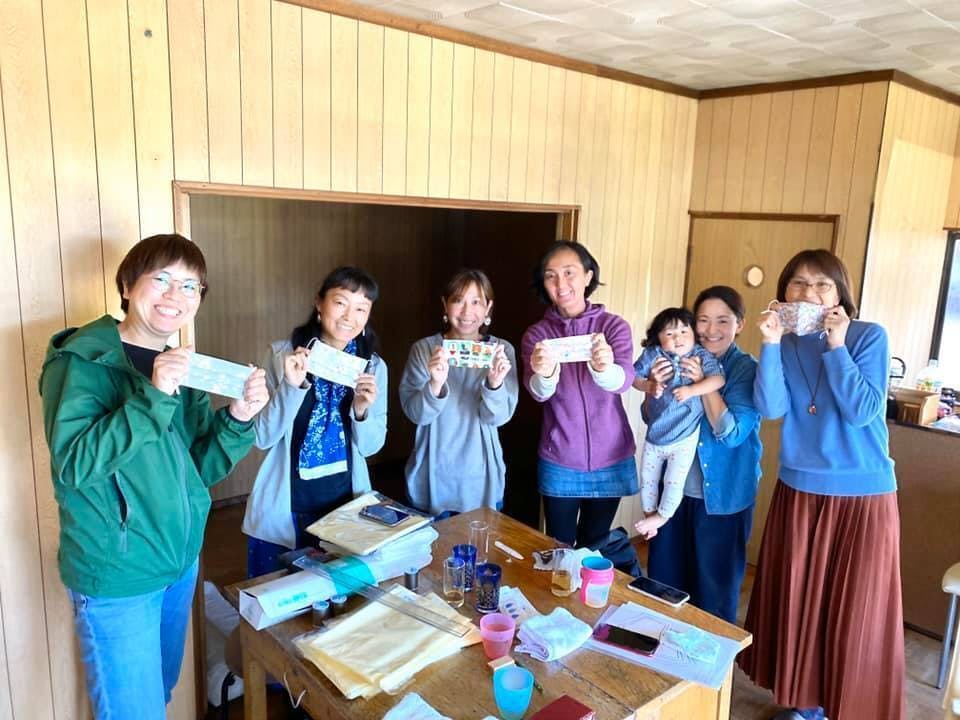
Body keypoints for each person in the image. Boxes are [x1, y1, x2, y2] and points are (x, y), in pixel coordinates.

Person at [39, 233, 269, 720]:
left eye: (190, 286)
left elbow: (198, 470)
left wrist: (239, 418)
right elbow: (75, 464)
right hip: (119, 574)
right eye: (161, 279)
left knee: (158, 694)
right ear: (127, 286)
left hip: (178, 565)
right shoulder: (82, 361)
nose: (175, 295)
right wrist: (155, 395)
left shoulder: (184, 367)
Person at [739, 250, 905, 720]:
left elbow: (862, 411)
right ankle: (805, 704)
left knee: (855, 612)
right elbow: (771, 407)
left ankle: (847, 706)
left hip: (863, 495)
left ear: (839, 294)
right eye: (798, 283)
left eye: (821, 285)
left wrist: (836, 345)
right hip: (800, 490)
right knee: (799, 605)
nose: (808, 293)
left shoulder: (868, 336)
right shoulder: (785, 342)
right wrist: (770, 343)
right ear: (783, 293)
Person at [243, 267, 387, 577]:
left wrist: (361, 410)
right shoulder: (281, 356)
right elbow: (262, 437)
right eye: (340, 302)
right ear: (319, 303)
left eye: (361, 308)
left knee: (341, 596)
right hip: (288, 506)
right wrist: (291, 387)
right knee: (282, 595)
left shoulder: (373, 367)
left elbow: (371, 446)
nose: (349, 316)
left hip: (346, 506)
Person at [642, 286, 762, 624]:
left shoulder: (744, 369)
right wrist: (653, 388)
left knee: (714, 601)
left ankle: (711, 661)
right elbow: (651, 418)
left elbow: (731, 433)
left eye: (723, 321)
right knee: (665, 592)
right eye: (703, 320)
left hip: (722, 499)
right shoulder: (673, 356)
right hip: (673, 496)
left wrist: (705, 383)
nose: (710, 330)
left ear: (739, 324)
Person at [521, 240, 637, 547]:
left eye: (569, 272)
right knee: (558, 545)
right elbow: (538, 393)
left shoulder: (613, 327)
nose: (561, 284)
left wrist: (604, 368)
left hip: (611, 455)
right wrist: (544, 374)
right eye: (551, 276)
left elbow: (624, 380)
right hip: (560, 456)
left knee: (595, 544)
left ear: (588, 276)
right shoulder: (537, 335)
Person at [399, 269, 518, 516]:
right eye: (458, 300)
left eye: (476, 302)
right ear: (445, 304)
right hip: (431, 471)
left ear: (488, 307)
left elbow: (498, 417)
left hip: (481, 475)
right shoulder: (424, 349)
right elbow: (416, 414)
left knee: (481, 539)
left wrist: (494, 384)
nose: (466, 312)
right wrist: (435, 384)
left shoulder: (501, 350)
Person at [631, 307, 724, 539]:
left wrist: (693, 390)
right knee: (647, 479)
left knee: (673, 480)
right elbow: (632, 377)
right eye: (670, 333)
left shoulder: (700, 355)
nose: (678, 338)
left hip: (685, 435)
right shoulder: (653, 354)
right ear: (658, 338)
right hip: (655, 434)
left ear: (694, 333)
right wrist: (649, 385)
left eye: (684, 331)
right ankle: (650, 515)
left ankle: (663, 516)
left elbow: (718, 379)